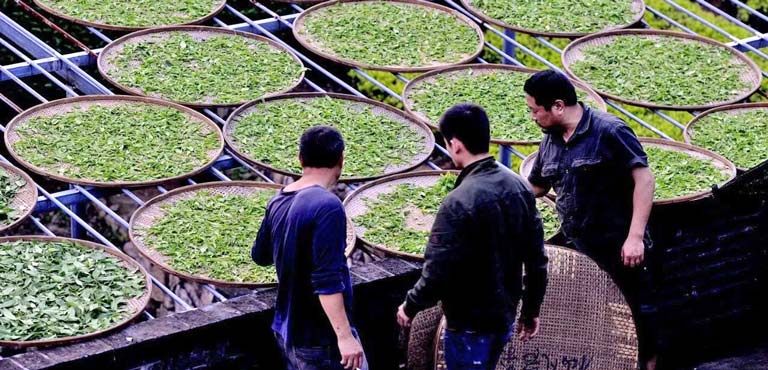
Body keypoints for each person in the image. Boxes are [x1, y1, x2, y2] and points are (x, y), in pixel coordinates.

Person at [395, 104, 549, 370]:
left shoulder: (458, 201)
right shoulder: (519, 187)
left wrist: (410, 306)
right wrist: (531, 309)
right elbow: (537, 259)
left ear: (455, 144)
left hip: (469, 324)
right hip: (505, 315)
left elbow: (437, 270)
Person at [523, 70, 658, 370]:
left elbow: (644, 179)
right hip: (578, 246)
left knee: (637, 313)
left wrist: (635, 237)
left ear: (558, 106)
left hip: (617, 244)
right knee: (593, 318)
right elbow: (539, 185)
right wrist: (499, 193)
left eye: (535, 110)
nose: (532, 117)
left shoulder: (609, 131)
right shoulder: (551, 140)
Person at [252, 126, 366, 370]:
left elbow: (259, 256)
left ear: (300, 159)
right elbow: (327, 280)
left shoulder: (277, 200)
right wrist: (345, 338)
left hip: (286, 330)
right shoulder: (328, 206)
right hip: (318, 338)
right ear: (341, 160)